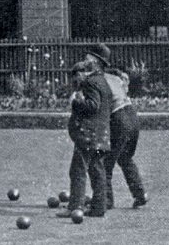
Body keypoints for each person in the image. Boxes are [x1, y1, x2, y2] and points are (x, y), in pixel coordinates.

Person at [84, 43, 148, 209]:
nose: (85, 63)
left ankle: (106, 200)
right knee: (125, 157)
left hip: (119, 119)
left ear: (97, 63)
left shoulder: (97, 80)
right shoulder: (113, 78)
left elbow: (99, 109)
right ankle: (140, 194)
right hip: (132, 116)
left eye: (88, 60)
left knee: (105, 163)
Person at [58, 58, 112, 218]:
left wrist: (75, 102)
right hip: (101, 136)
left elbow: (93, 105)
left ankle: (75, 207)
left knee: (77, 171)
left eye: (76, 77)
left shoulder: (90, 82)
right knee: (97, 171)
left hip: (88, 135)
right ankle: (99, 207)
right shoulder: (102, 81)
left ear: (82, 73)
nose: (75, 82)